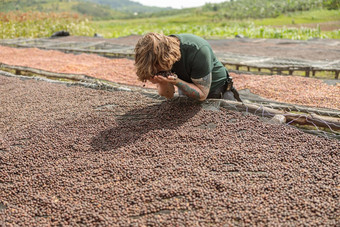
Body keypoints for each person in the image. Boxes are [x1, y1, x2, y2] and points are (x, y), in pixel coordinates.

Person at [134, 32, 241, 102]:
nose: (157, 71)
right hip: (186, 86)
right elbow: (168, 94)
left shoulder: (197, 50)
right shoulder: (156, 59)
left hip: (216, 90)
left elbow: (202, 94)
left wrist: (176, 82)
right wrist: (163, 82)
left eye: (157, 69)